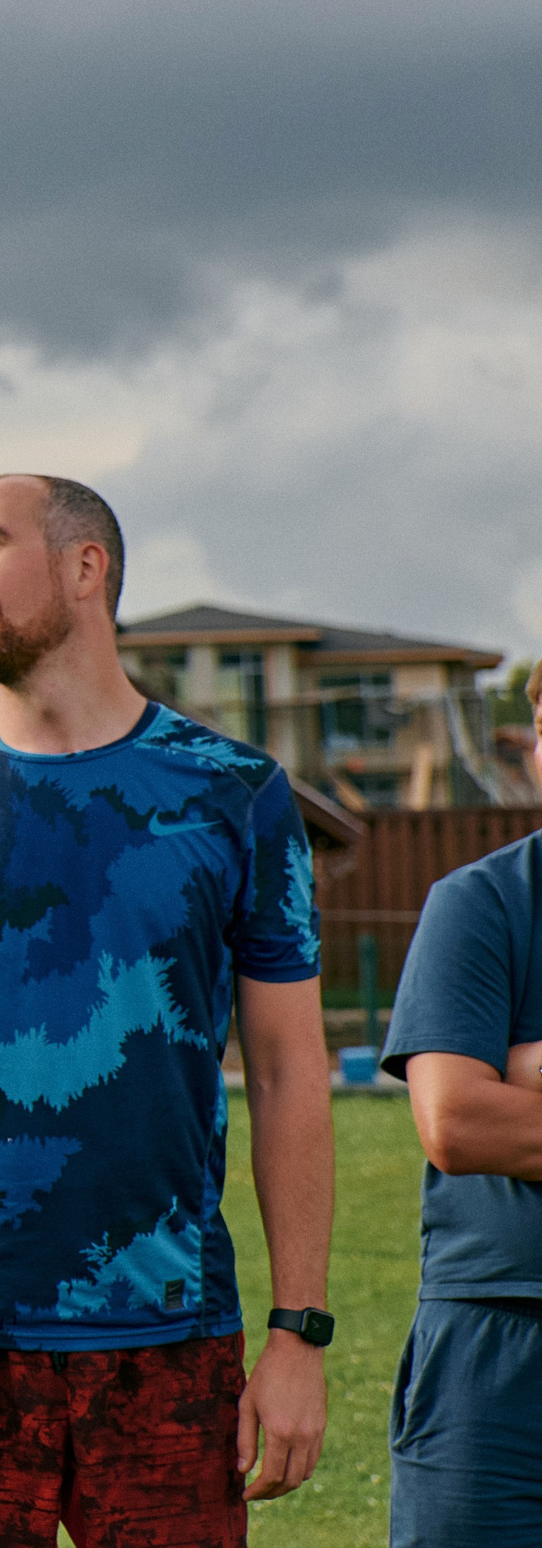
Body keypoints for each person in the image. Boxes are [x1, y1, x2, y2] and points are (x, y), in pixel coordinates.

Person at [0, 474, 335, 1546]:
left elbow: (286, 1071)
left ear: (88, 568)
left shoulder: (235, 794)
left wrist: (296, 1332)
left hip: (168, 1332)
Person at [379, 656, 542, 1542]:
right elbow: (459, 1120)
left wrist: (526, 1068)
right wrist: (490, 1088)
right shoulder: (478, 905)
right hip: (496, 1339)